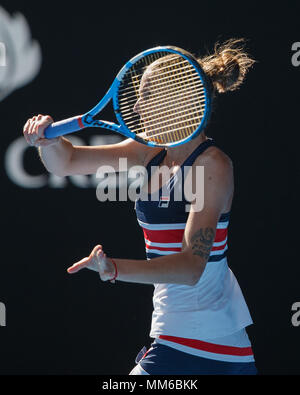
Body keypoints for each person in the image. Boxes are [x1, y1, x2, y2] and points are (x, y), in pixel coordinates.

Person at [23, 38, 257, 375]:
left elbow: (191, 268)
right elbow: (68, 162)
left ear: (176, 100)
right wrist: (48, 142)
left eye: (145, 96)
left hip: (209, 349)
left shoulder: (211, 166)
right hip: (179, 339)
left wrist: (114, 268)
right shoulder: (149, 151)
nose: (135, 108)